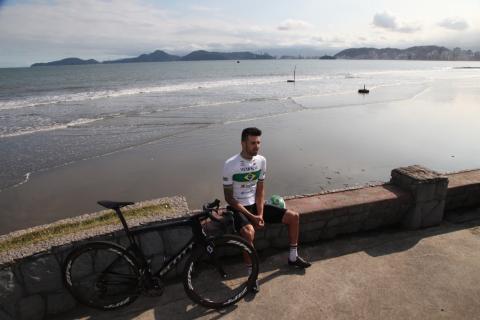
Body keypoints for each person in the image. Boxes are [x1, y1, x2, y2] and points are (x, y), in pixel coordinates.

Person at [222, 127, 311, 291]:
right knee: (249, 232)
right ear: (243, 143)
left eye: (258, 143)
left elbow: (260, 190)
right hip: (238, 208)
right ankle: (252, 274)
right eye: (252, 143)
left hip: (255, 206)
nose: (256, 146)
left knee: (294, 217)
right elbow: (229, 199)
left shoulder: (261, 161)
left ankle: (293, 257)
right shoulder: (230, 165)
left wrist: (261, 213)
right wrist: (252, 216)